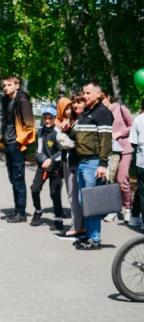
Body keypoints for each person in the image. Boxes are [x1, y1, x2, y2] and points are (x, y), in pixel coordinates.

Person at [73, 82, 113, 250]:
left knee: (93, 203)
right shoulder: (86, 112)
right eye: (84, 92)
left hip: (93, 162)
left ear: (98, 94)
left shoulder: (102, 113)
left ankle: (95, 239)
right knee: (85, 201)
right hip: (82, 162)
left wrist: (102, 163)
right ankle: (89, 235)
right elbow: (79, 136)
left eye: (88, 93)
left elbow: (106, 140)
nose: (85, 96)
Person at [0, 75, 36, 223]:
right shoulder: (7, 100)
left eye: (9, 85)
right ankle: (16, 209)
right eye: (4, 85)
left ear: (17, 85)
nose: (6, 88)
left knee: (19, 178)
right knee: (13, 178)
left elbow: (29, 125)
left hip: (17, 144)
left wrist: (20, 141)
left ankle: (21, 212)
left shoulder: (22, 100)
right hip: (9, 142)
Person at [55, 93, 86, 239]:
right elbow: (60, 138)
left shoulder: (84, 120)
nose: (76, 105)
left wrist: (66, 136)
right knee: (71, 195)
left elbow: (74, 142)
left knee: (75, 195)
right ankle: (78, 225)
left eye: (79, 102)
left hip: (78, 160)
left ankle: (77, 227)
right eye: (74, 102)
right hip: (67, 159)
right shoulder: (71, 120)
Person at [101, 91, 134, 223]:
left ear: (108, 97)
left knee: (122, 179)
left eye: (102, 99)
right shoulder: (101, 112)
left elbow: (132, 125)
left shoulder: (120, 108)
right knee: (110, 179)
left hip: (124, 149)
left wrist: (119, 133)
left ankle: (127, 208)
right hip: (109, 151)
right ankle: (113, 210)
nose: (101, 102)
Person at [30, 106, 64, 230]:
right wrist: (40, 158)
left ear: (55, 118)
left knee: (54, 193)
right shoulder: (40, 131)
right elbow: (38, 149)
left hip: (55, 167)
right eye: (45, 118)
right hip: (42, 166)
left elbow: (61, 151)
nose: (47, 121)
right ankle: (38, 211)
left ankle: (58, 219)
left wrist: (51, 159)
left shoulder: (58, 132)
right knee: (35, 189)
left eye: (50, 118)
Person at [128, 98, 144, 229]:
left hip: (142, 161)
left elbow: (133, 142)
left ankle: (138, 218)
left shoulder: (138, 119)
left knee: (142, 191)